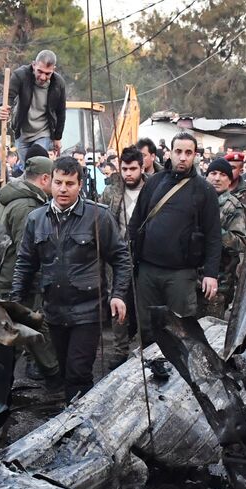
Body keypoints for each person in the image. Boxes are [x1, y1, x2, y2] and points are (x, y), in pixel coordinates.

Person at [10, 157, 129, 404]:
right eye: (58, 182)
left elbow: (120, 258)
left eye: (70, 183)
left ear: (80, 185)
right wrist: (15, 303)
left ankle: (80, 429)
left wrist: (118, 294)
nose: (63, 189)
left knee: (78, 372)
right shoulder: (36, 219)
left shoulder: (98, 217)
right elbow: (25, 263)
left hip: (88, 309)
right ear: (50, 182)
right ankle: (72, 417)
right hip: (54, 310)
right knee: (64, 370)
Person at [126, 132, 221, 345]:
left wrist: (211, 274)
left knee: (180, 332)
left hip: (181, 275)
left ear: (195, 155)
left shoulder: (204, 190)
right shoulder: (154, 183)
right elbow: (135, 223)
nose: (183, 157)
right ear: (170, 153)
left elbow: (214, 236)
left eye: (188, 152)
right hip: (147, 272)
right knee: (147, 329)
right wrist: (128, 259)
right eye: (178, 151)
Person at [0, 155, 59, 383]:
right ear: (44, 179)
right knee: (29, 328)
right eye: (55, 180)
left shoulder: (20, 199)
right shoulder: (27, 207)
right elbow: (28, 252)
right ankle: (51, 372)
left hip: (12, 278)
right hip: (18, 281)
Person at [100, 146, 146, 367]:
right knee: (118, 300)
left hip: (145, 254)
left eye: (133, 169)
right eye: (125, 168)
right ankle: (119, 350)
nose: (128, 173)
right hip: (117, 255)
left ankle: (145, 347)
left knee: (143, 302)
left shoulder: (152, 188)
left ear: (141, 167)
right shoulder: (111, 190)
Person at [0, 50, 67, 159]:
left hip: (44, 132)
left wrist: (57, 137)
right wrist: (2, 107)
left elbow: (61, 112)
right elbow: (8, 95)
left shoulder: (59, 83)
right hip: (22, 132)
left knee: (36, 163)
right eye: (40, 71)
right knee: (27, 170)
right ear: (34, 65)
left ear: (53, 70)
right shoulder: (21, 75)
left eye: (47, 73)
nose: (43, 77)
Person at [203, 158, 246, 320]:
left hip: (219, 282)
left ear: (229, 181)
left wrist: (216, 232)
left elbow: (240, 242)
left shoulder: (233, 206)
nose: (217, 178)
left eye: (222, 175)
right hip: (191, 279)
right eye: (213, 173)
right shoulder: (198, 200)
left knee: (210, 330)